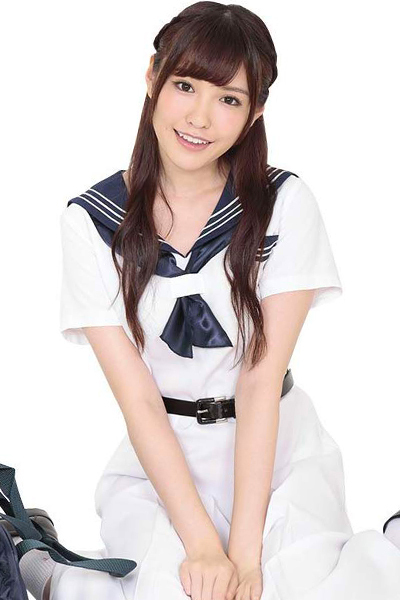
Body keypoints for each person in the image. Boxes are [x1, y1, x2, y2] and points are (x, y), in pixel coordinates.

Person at [18, 2, 400, 599]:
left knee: (289, 591)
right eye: (185, 86)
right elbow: (139, 400)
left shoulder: (283, 204)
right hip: (162, 462)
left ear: (255, 113)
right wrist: (200, 545)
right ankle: (38, 563)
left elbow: (259, 380)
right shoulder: (91, 222)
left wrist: (244, 555)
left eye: (229, 98)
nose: (200, 117)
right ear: (153, 78)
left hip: (277, 454)